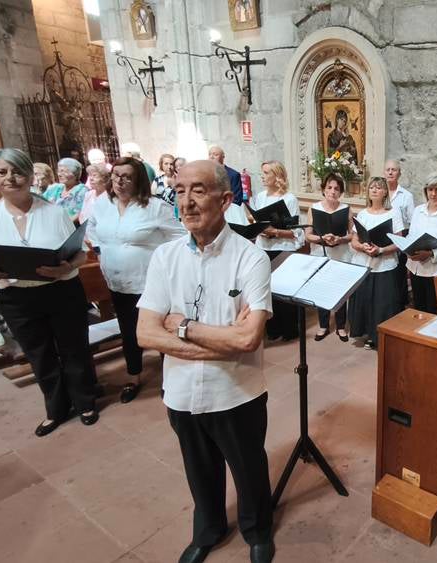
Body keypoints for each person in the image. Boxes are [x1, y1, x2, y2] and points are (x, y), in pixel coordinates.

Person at [136, 160, 276, 563]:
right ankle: (209, 529)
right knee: (200, 472)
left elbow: (249, 338)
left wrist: (181, 327)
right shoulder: (164, 257)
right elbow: (146, 334)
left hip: (236, 392)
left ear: (226, 199)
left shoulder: (250, 258)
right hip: (180, 391)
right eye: (179, 191)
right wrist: (223, 339)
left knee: (249, 471)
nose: (186, 202)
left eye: (198, 190)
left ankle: (257, 530)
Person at [0, 148, 98, 436]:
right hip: (16, 296)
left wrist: (64, 268)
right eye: (2, 172)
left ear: (29, 176)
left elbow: (80, 253)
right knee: (39, 354)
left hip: (60, 290)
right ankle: (56, 408)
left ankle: (85, 402)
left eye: (17, 171)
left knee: (73, 348)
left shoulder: (53, 212)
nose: (11, 178)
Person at [88, 157, 184, 404]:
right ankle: (134, 376)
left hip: (149, 283)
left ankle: (169, 378)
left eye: (126, 176)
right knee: (129, 332)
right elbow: (92, 231)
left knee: (160, 331)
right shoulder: (102, 204)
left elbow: (181, 237)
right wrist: (101, 252)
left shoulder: (155, 207)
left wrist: (165, 264)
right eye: (116, 175)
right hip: (117, 282)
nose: (119, 181)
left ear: (138, 180)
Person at [249, 160, 303, 341]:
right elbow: (255, 221)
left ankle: (289, 329)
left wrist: (276, 232)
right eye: (262, 172)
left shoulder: (289, 199)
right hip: (264, 248)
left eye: (266, 173)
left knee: (285, 290)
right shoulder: (259, 197)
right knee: (268, 289)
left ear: (277, 176)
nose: (262, 176)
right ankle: (273, 329)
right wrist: (257, 227)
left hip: (283, 249)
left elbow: (296, 231)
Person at [349, 176, 405, 349]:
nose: (374, 190)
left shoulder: (393, 213)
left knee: (382, 302)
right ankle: (367, 332)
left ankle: (380, 335)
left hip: (385, 264)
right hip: (364, 263)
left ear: (385, 193)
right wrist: (363, 247)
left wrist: (380, 250)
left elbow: (399, 242)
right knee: (365, 300)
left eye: (379, 187)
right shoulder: (363, 214)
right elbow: (353, 240)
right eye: (372, 187)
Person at [305, 172, 353, 342]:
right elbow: (308, 235)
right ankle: (323, 325)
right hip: (320, 254)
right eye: (329, 188)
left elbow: (352, 236)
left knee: (340, 290)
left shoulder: (346, 209)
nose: (333, 191)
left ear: (340, 192)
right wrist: (321, 239)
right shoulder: (314, 208)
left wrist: (341, 239)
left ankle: (340, 326)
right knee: (321, 290)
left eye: (336, 189)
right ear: (324, 190)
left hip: (341, 254)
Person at [407, 174, 437, 314]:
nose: (433, 194)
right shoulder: (418, 211)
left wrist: (430, 254)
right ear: (426, 191)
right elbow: (411, 235)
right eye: (430, 189)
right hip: (416, 268)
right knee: (418, 310)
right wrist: (409, 250)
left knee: (433, 311)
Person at [384, 159, 414, 306]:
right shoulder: (380, 193)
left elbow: (411, 221)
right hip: (381, 239)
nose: (390, 172)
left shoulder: (406, 195)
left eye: (394, 170)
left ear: (399, 173)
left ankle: (398, 307)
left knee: (399, 277)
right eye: (388, 169)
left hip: (399, 239)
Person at [43, 158, 88, 223]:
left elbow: (82, 213)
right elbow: (41, 202)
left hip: (72, 229)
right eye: (59, 171)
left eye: (64, 171)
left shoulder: (82, 191)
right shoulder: (55, 188)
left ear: (75, 174)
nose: (59, 174)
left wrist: (64, 224)